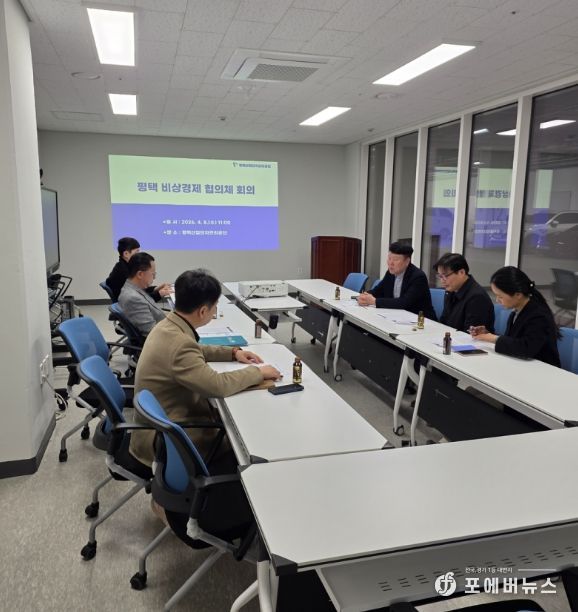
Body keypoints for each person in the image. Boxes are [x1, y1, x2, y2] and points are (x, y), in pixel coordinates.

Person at [129, 269, 281, 466]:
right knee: (251, 440)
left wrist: (233, 353)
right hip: (170, 443)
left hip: (161, 427)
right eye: (214, 307)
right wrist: (258, 372)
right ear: (203, 311)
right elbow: (217, 385)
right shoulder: (180, 344)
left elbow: (194, 348)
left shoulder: (168, 325)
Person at [471, 266, 561, 367]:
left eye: (500, 296)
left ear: (518, 295)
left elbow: (526, 349)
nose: (497, 300)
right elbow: (514, 341)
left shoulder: (539, 316)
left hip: (542, 369)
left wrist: (493, 338)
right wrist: (488, 334)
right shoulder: (517, 311)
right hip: (521, 364)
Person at [357, 241, 437, 320]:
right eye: (389, 258)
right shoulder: (390, 273)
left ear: (407, 261)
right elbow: (378, 291)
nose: (390, 263)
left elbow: (404, 302)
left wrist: (374, 301)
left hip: (421, 321)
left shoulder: (418, 277)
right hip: (398, 317)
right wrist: (364, 296)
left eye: (395, 259)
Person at [434, 252, 494, 333]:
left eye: (445, 276)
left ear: (461, 272)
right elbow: (444, 321)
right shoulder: (451, 290)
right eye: (440, 276)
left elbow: (470, 334)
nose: (442, 281)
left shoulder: (477, 297)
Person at [106, 236, 171, 302]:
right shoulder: (123, 271)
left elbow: (140, 290)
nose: (138, 255)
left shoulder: (123, 266)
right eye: (136, 252)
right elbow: (139, 298)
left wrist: (156, 289)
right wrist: (159, 294)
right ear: (126, 254)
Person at [118, 252, 167, 336]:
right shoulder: (133, 298)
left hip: (163, 326)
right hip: (160, 337)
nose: (154, 277)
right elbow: (152, 332)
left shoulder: (134, 288)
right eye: (153, 274)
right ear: (140, 274)